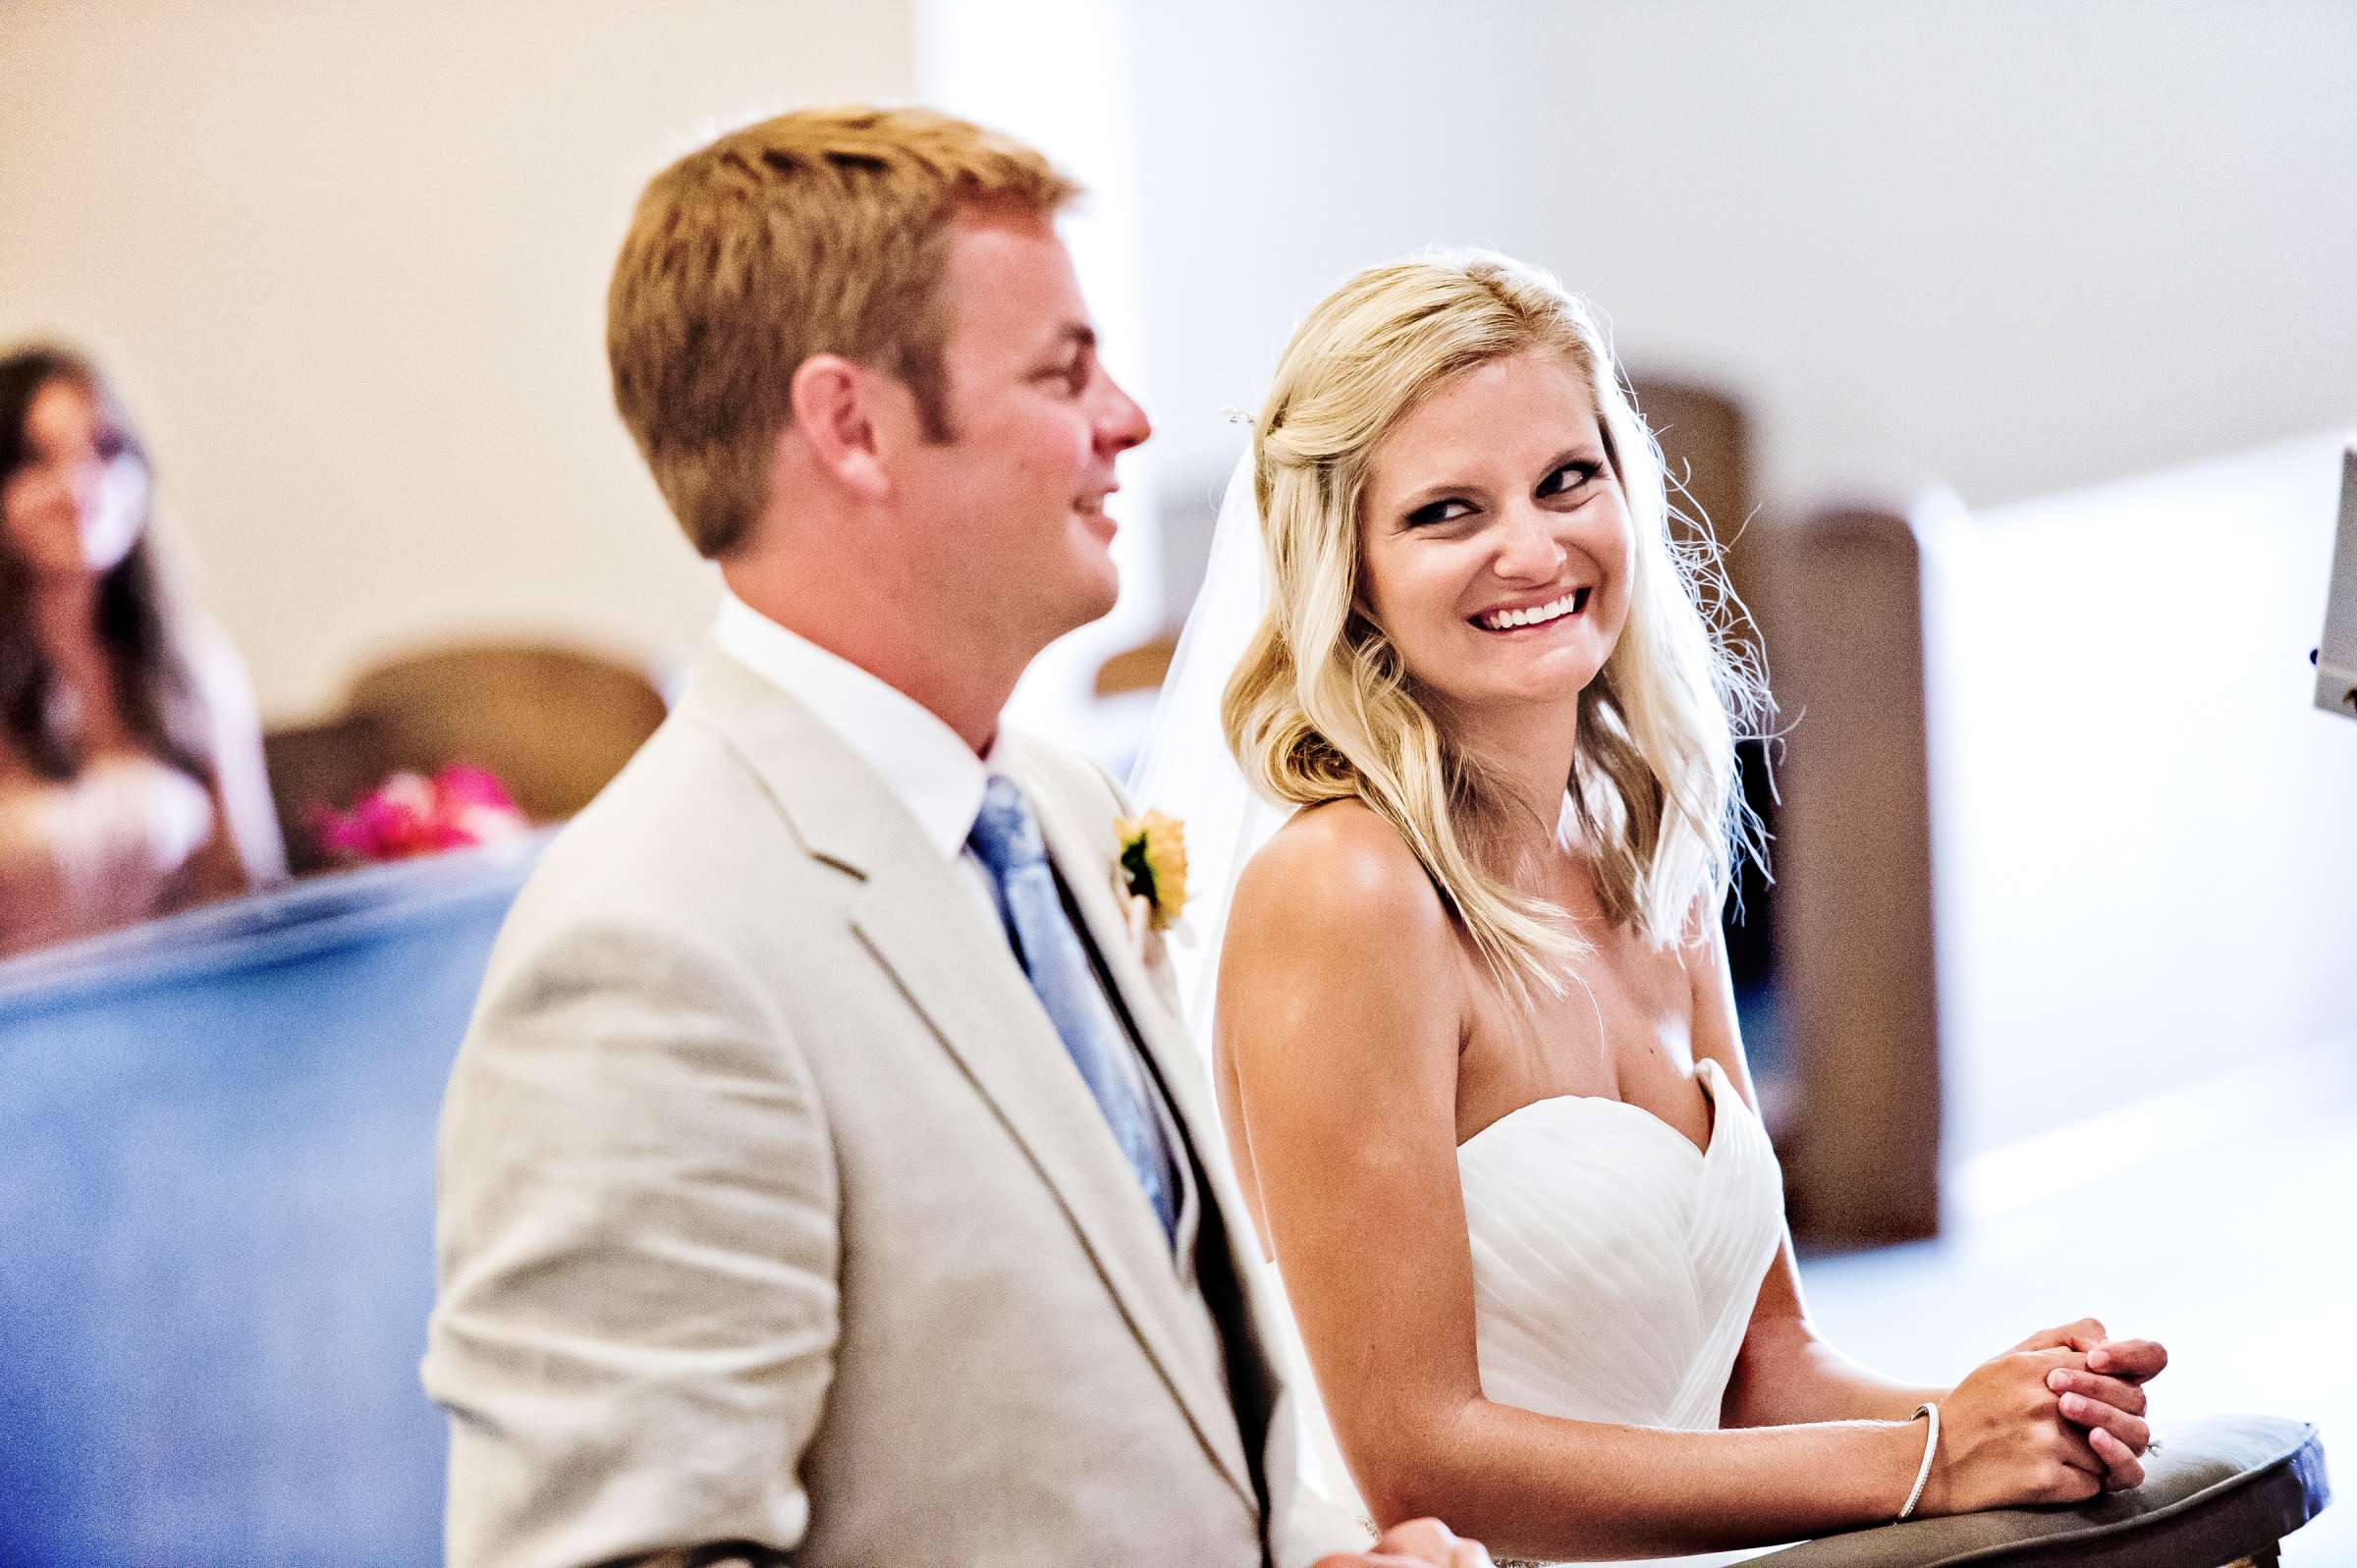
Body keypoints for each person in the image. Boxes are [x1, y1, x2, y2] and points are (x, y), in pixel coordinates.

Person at [421, 108, 1487, 1568]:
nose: (1129, 417)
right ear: (850, 427)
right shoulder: (652, 949)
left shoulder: (1052, 807)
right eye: (1063, 370)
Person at [1131, 251, 2168, 1564]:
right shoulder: (1348, 890)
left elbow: (1768, 1373)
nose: (1534, 545)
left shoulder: (1639, 841)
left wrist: (2007, 1412)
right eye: (1450, 511)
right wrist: (1924, 1459)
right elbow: (1417, 1461)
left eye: (1570, 479)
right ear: (1347, 567)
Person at [0, 346, 285, 959]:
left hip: (169, 1021)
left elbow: (250, 898)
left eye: (105, 452)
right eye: (36, 461)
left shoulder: (195, 663)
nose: (80, 488)